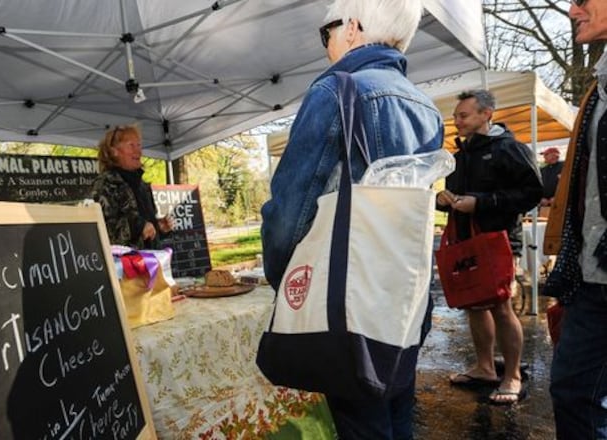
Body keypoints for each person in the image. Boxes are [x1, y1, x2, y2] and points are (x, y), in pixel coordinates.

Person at [260, 0, 443, 437]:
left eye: (327, 32)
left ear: (354, 29)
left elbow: (290, 211)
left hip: (349, 299)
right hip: (404, 294)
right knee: (398, 406)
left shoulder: (336, 91)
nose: (326, 44)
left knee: (361, 421)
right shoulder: (425, 105)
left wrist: (282, 276)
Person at [436, 89, 542, 405]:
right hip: (468, 241)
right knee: (474, 304)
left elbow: (532, 193)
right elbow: (456, 199)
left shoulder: (510, 149)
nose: (456, 121)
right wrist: (445, 201)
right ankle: (485, 368)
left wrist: (482, 203)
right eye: (456, 116)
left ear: (487, 114)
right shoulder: (459, 155)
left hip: (500, 240)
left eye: (463, 115)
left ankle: (512, 376)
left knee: (500, 305)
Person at [544, 2, 607, 437]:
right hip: (593, 276)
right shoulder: (599, 85)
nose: (572, 9)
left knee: (576, 391)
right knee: (572, 391)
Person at [91, 125, 172, 249]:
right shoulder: (106, 184)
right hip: (122, 265)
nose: (138, 151)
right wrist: (138, 227)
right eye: (131, 145)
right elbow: (102, 232)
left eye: (139, 145)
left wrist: (158, 227)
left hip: (149, 263)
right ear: (114, 151)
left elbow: (147, 230)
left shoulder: (143, 186)